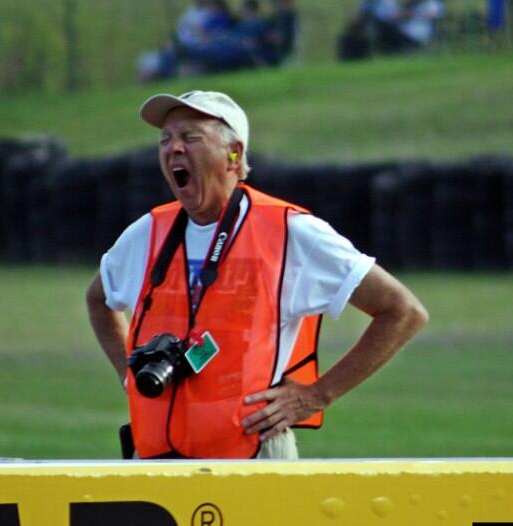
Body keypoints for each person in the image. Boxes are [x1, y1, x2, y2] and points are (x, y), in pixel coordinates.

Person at [86, 90, 428, 459]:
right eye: (165, 140)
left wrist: (317, 395)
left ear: (234, 155)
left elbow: (403, 311)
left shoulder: (290, 231)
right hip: (157, 460)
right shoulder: (149, 231)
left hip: (252, 458)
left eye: (191, 138)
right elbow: (98, 300)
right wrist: (130, 376)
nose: (174, 149)